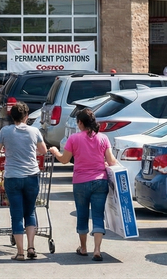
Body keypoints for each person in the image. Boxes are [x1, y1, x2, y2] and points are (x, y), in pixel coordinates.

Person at [48, 108, 119, 261]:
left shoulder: (74, 139)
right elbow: (112, 161)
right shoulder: (103, 138)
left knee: (82, 214)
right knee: (98, 215)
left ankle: (84, 248)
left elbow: (65, 159)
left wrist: (55, 151)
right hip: (100, 181)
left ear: (80, 122)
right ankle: (97, 250)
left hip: (80, 182)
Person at [0, 102, 48, 261]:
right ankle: (31, 247)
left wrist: (7, 148)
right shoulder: (34, 131)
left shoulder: (5, 131)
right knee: (29, 212)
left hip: (13, 177)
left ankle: (20, 252)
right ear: (26, 117)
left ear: (12, 116)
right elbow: (43, 150)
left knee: (16, 215)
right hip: (31, 176)